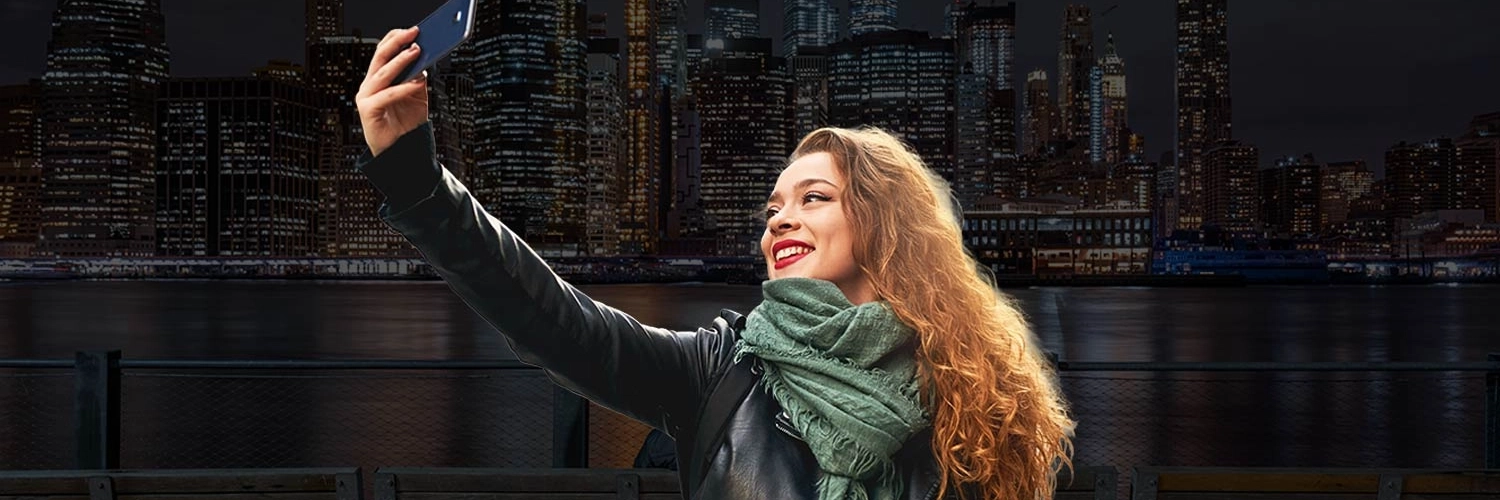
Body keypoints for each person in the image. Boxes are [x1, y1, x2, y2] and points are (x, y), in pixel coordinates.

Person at [355, 27, 1075, 500]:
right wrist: (418, 182)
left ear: (886, 225)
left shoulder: (975, 398)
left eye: (813, 198)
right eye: (772, 209)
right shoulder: (721, 371)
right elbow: (549, 319)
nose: (781, 219)